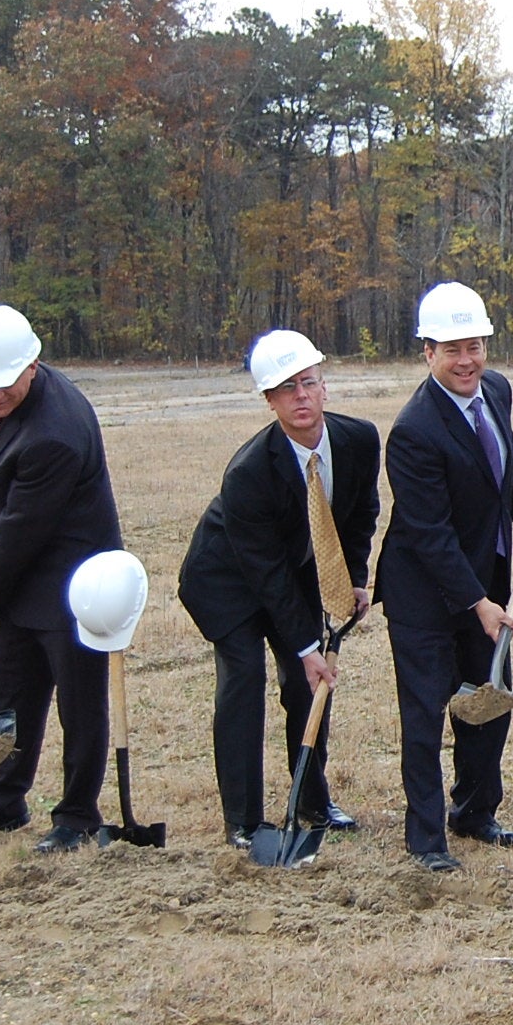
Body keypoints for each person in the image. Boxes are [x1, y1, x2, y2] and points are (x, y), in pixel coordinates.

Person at [376, 284, 513, 873]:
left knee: (489, 699)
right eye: (452, 349)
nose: (467, 360)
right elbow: (430, 535)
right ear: (427, 353)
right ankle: (427, 839)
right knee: (427, 712)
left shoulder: (495, 390)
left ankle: (476, 811)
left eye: (474, 345)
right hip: (424, 593)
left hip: (484, 578)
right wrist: (477, 602)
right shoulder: (413, 431)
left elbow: (507, 457)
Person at [0, 304, 123, 854]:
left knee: (80, 706)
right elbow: (14, 484)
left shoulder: (54, 433)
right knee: (10, 695)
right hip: (29, 574)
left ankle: (77, 817)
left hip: (75, 585)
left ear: (32, 364)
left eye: (2, 385)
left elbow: (23, 530)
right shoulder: (7, 395)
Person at [178, 331, 377, 848]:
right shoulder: (248, 472)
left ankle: (313, 801)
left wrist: (354, 579)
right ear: (270, 400)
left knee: (308, 687)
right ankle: (243, 821)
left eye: (308, 383)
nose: (301, 396)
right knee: (244, 680)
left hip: (291, 573)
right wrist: (308, 646)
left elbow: (358, 516)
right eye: (287, 389)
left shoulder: (359, 440)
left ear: (324, 386)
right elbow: (263, 572)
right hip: (227, 579)